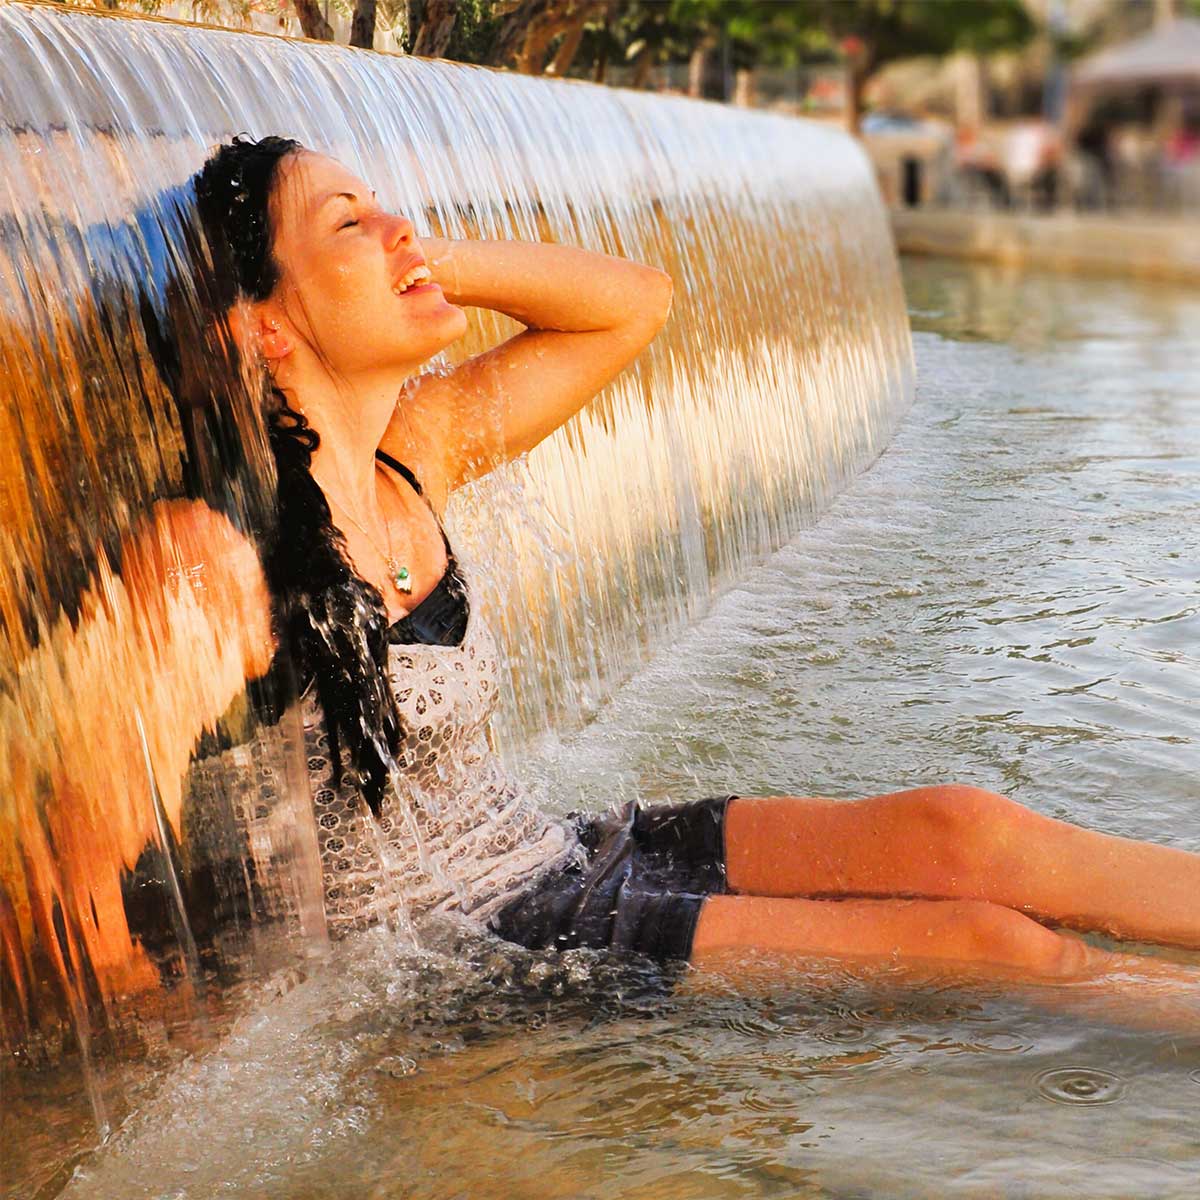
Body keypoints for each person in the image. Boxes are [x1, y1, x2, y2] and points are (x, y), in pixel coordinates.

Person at [184, 134, 1200, 987]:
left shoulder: (421, 452)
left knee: (965, 831)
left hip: (552, 851)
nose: (397, 222)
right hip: (468, 942)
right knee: (992, 950)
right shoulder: (224, 559)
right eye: (347, 223)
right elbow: (77, 841)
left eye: (384, 206)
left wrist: (418, 262)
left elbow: (634, 303)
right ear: (266, 324)